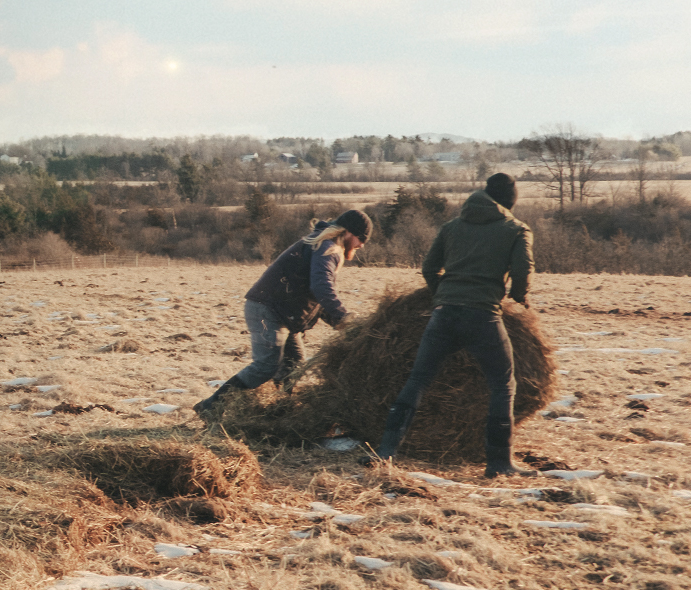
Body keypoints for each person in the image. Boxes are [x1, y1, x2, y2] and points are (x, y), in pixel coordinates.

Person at [368, 173, 536, 477]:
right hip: (483, 316)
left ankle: (385, 451)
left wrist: (442, 294)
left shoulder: (452, 227)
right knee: (503, 385)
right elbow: (523, 270)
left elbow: (429, 267)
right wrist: (519, 298)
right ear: (511, 199)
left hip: (443, 314)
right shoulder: (516, 230)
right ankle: (499, 463)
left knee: (417, 380)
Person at [194, 209, 373, 417]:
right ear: (349, 233)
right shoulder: (327, 248)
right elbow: (321, 287)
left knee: (294, 363)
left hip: (282, 314)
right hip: (267, 310)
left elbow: (314, 297)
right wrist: (344, 318)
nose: (361, 245)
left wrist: (342, 324)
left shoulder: (322, 245)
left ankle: (279, 411)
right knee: (266, 365)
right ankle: (210, 406)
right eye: (362, 239)